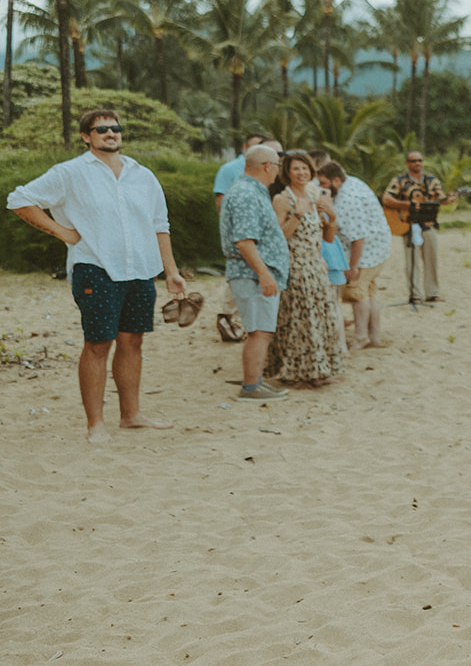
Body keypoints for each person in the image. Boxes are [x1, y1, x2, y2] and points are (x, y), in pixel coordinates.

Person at [7, 108, 187, 442]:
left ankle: (131, 415)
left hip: (140, 271)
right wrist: (62, 232)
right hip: (95, 268)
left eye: (115, 127)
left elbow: (159, 226)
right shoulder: (70, 173)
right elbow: (19, 199)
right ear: (86, 136)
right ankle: (96, 424)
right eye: (101, 128)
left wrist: (171, 272)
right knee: (98, 344)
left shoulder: (142, 175)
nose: (111, 133)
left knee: (132, 341)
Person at [263, 151, 345, 388]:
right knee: (300, 320)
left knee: (321, 318)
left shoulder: (315, 194)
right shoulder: (282, 199)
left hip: (317, 265)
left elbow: (328, 238)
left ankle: (320, 370)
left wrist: (331, 215)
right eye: (296, 168)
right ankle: (298, 374)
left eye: (305, 168)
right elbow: (277, 237)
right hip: (295, 265)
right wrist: (297, 214)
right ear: (287, 172)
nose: (301, 173)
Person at [219, 145, 290, 401]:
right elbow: (244, 241)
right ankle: (251, 386)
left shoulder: (251, 191)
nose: (278, 172)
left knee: (261, 329)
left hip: (254, 273)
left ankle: (256, 380)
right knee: (258, 330)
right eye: (278, 166)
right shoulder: (247, 193)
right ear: (267, 166)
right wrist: (264, 273)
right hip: (251, 274)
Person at [317, 161, 392, 350]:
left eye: (324, 183)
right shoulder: (352, 182)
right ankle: (374, 337)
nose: (321, 188)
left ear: (336, 180)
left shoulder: (347, 200)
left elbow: (357, 238)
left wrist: (352, 266)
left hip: (367, 250)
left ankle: (361, 337)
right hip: (380, 244)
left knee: (357, 293)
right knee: (369, 291)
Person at [382, 151, 455, 304]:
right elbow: (387, 198)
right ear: (407, 163)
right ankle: (415, 294)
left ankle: (432, 292)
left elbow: (440, 197)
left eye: (420, 160)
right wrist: (407, 205)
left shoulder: (432, 180)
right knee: (412, 261)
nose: (417, 163)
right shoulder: (400, 181)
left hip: (429, 225)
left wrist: (448, 199)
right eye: (413, 161)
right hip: (409, 224)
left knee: (431, 259)